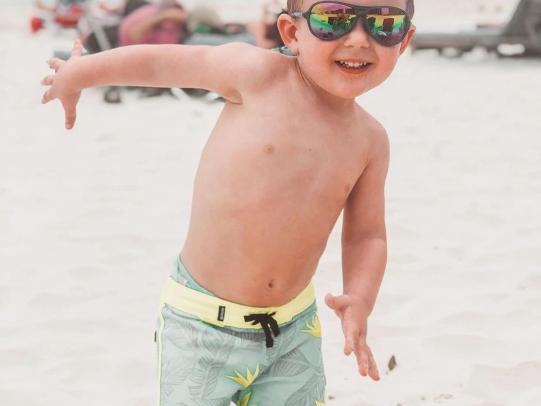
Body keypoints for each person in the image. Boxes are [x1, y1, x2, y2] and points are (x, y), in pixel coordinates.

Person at [40, 0, 416, 404]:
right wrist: (80, 73)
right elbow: (157, 65)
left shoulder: (370, 140)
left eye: (383, 24)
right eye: (333, 20)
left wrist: (360, 298)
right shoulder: (255, 75)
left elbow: (366, 236)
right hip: (201, 325)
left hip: (292, 329)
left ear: (405, 40)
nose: (358, 39)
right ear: (292, 33)